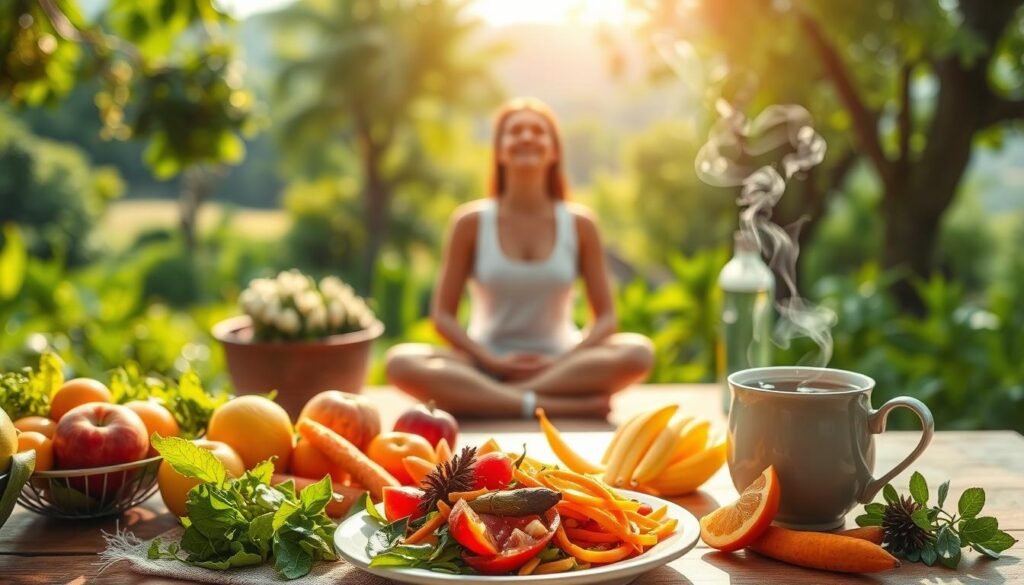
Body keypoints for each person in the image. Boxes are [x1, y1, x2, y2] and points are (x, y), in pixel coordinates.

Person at [386, 97, 654, 418]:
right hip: (485, 362)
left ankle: (488, 400)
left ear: (554, 151)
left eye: (538, 131)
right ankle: (548, 406)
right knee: (400, 362)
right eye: (515, 132)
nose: (527, 137)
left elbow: (607, 318)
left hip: (564, 362)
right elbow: (442, 316)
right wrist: (489, 360)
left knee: (638, 352)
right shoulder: (469, 222)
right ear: (499, 150)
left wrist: (564, 360)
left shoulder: (580, 224)